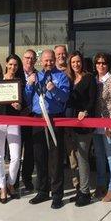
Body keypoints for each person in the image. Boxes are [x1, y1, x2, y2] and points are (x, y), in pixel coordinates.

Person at [25, 49, 70, 209]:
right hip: (38, 119)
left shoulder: (62, 76)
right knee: (40, 156)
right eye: (46, 60)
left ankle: (57, 194)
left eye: (51, 60)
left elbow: (65, 98)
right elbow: (26, 98)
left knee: (56, 158)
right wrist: (29, 85)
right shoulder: (36, 76)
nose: (49, 63)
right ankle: (42, 191)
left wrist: (54, 89)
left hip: (55, 119)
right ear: (41, 61)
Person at [0, 54, 24, 204]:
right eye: (10, 64)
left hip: (14, 122)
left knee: (16, 157)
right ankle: (2, 187)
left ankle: (10, 183)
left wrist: (19, 106)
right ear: (6, 64)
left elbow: (22, 104)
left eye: (15, 65)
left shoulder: (19, 82)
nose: (13, 67)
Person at [65, 51, 97, 207]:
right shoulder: (69, 80)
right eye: (73, 62)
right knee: (74, 160)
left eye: (78, 62)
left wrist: (85, 112)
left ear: (82, 62)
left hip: (84, 124)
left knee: (83, 158)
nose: (76, 64)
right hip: (70, 125)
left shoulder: (89, 78)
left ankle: (85, 193)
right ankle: (79, 190)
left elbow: (93, 100)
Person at [93, 52, 111, 202]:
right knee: (99, 156)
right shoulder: (95, 80)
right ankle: (101, 184)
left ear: (108, 65)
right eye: (98, 63)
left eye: (103, 63)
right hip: (96, 124)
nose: (100, 65)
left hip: (109, 125)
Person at [55, 44, 79, 192]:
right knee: (55, 153)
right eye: (58, 54)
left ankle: (76, 184)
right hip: (55, 118)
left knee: (72, 154)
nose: (61, 56)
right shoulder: (49, 72)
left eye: (63, 53)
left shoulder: (72, 72)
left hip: (69, 117)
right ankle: (57, 185)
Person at [19, 49, 37, 191]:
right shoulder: (16, 74)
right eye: (26, 58)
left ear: (35, 60)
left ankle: (27, 177)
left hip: (32, 117)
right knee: (16, 150)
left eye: (32, 58)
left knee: (30, 150)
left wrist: (30, 108)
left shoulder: (39, 75)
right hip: (17, 117)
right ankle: (13, 180)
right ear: (22, 59)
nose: (29, 60)